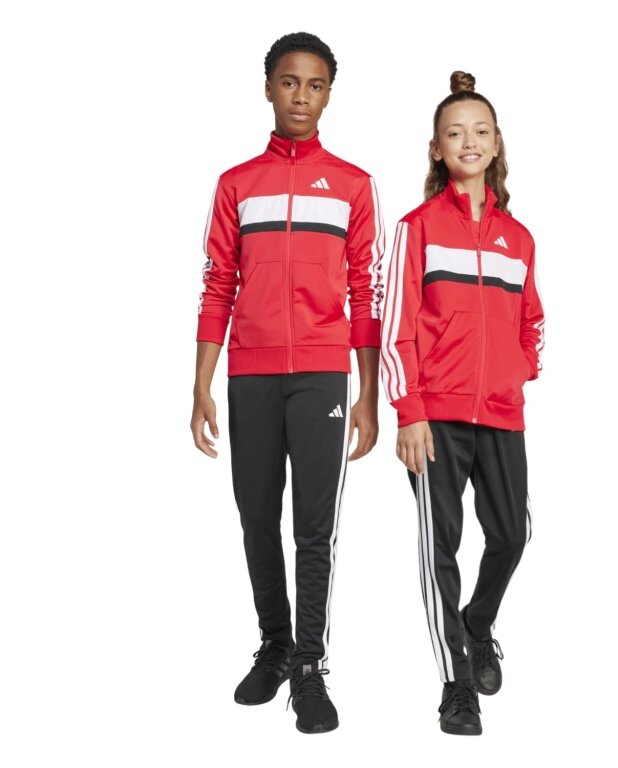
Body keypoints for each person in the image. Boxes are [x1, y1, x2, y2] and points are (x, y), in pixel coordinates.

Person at [190, 32, 384, 735]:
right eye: (290, 82)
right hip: (251, 371)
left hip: (324, 374)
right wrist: (201, 383)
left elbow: (366, 289)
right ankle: (274, 645)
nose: (302, 96)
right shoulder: (236, 185)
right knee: (255, 516)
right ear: (269, 86)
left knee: (313, 526)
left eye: (316, 84)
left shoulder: (353, 185)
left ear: (329, 94)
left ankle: (308, 664)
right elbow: (218, 283)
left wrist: (367, 393)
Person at [380, 71, 544, 735]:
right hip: (435, 419)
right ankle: (456, 684)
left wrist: (517, 370)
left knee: (512, 534)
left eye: (480, 131)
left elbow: (533, 321)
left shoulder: (518, 238)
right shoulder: (416, 229)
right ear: (437, 149)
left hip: (501, 412)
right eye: (455, 133)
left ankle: (478, 624)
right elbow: (396, 327)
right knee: (439, 548)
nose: (468, 142)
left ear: (497, 143)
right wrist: (410, 410)